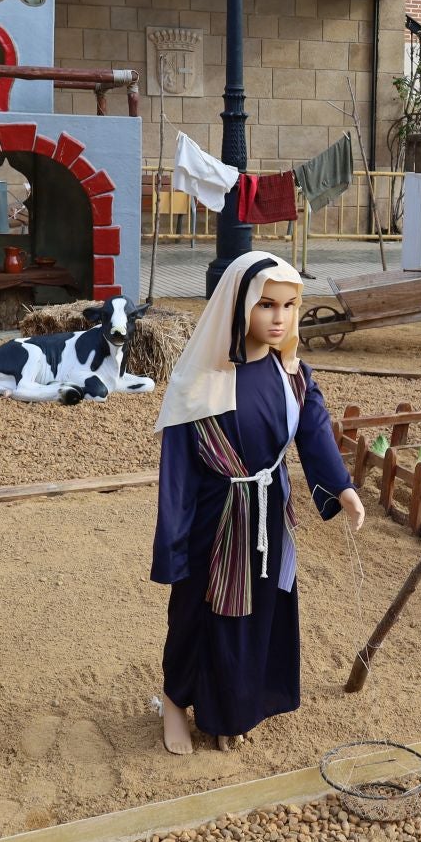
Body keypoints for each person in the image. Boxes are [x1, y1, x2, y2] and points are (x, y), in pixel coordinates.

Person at [150, 251, 365, 754]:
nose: (279, 318)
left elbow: (312, 430)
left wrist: (343, 488)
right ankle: (176, 702)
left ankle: (234, 710)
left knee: (257, 612)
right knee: (198, 614)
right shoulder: (199, 381)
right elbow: (176, 475)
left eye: (289, 306)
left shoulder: (291, 372)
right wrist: (173, 548)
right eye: (266, 304)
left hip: (269, 512)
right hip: (212, 520)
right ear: (240, 303)